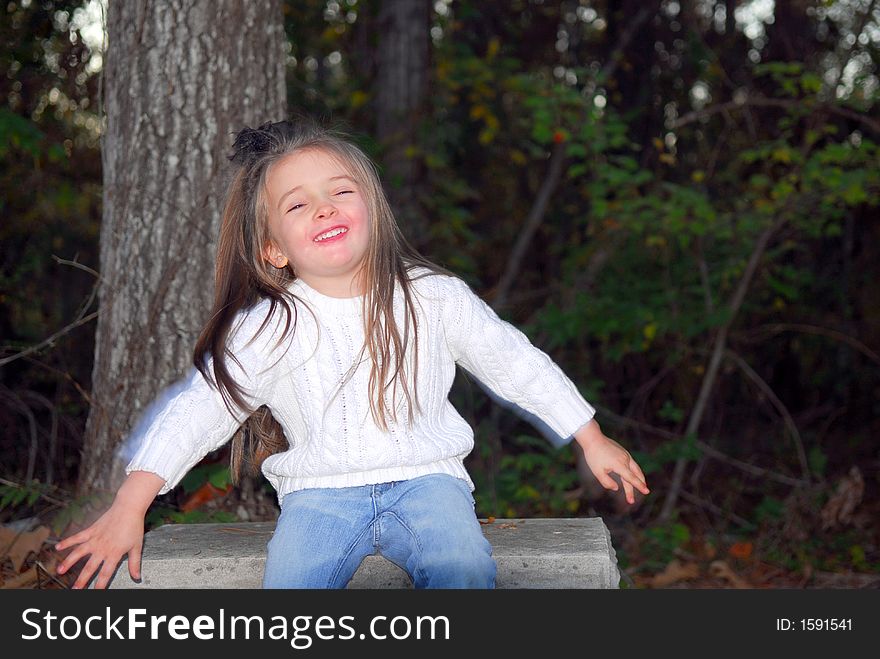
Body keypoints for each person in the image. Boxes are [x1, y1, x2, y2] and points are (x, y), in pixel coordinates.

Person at [55, 115, 650, 590]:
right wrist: (131, 504)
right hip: (317, 498)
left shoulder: (432, 298)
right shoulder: (271, 325)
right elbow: (203, 408)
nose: (324, 207)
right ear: (273, 250)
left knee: (464, 570)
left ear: (373, 208)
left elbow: (514, 362)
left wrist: (590, 435)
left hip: (429, 484)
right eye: (298, 204)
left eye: (341, 191)